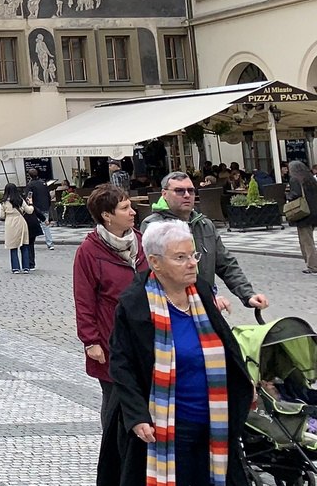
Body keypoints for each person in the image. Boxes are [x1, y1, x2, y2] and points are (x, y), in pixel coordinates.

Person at [98, 220, 260, 486]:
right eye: (181, 257)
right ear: (155, 262)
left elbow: (227, 348)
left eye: (194, 255)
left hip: (216, 434)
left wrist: (246, 387)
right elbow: (121, 365)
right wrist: (138, 416)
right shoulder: (135, 304)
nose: (192, 263)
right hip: (164, 438)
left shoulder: (200, 293)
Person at [142, 172, 269, 314]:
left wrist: (248, 295)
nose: (186, 195)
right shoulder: (153, 226)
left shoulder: (205, 224)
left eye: (190, 190)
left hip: (206, 304)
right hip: (169, 308)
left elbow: (226, 264)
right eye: (179, 191)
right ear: (164, 194)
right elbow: (149, 273)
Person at [74, 184, 148, 429]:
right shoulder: (89, 251)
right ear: (107, 215)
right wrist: (91, 341)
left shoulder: (141, 242)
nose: (133, 212)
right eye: (125, 208)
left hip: (146, 334)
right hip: (110, 336)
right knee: (115, 398)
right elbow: (84, 299)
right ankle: (112, 453)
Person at [285, 158, 317, 273]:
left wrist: (288, 196)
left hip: (303, 212)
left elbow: (296, 194)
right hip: (314, 212)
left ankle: (312, 265)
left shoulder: (295, 179)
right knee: (309, 239)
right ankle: (311, 263)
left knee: (306, 241)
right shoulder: (310, 178)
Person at [0, 183, 35, 274]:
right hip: (20, 221)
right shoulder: (20, 200)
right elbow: (29, 211)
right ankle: (26, 267)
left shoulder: (3, 202)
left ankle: (15, 268)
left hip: (10, 223)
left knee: (13, 246)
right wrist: (31, 204)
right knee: (24, 245)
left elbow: (1, 215)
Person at [28, 168, 54, 251]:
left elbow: (29, 197)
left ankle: (30, 242)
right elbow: (48, 195)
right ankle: (50, 244)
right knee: (46, 226)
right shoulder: (43, 183)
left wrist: (30, 205)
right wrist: (48, 204)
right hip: (45, 206)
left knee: (31, 224)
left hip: (35, 208)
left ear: (29, 176)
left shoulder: (30, 185)